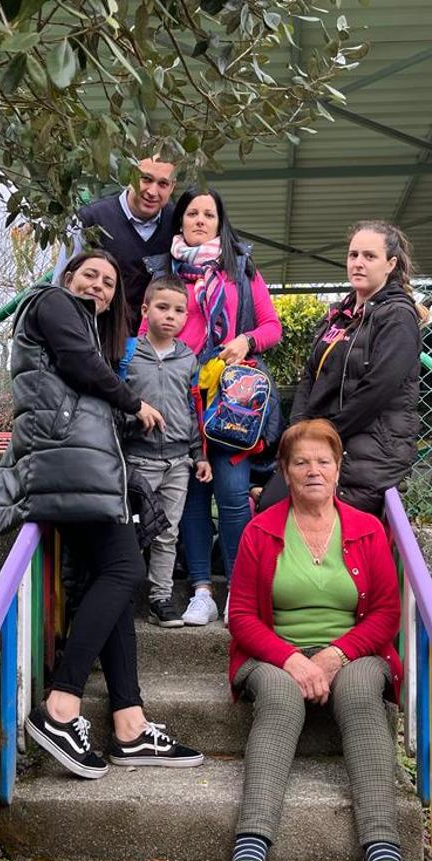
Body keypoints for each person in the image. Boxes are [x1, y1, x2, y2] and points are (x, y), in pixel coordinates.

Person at [0, 250, 203, 778]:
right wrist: (133, 403)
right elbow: (80, 369)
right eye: (91, 276)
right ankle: (61, 707)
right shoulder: (54, 302)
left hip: (81, 466)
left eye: (109, 283)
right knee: (125, 570)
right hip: (69, 465)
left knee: (113, 575)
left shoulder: (87, 328)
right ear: (69, 277)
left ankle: (129, 725)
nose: (99, 288)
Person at [221, 419, 423, 861]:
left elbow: (386, 613)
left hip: (354, 652)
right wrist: (291, 660)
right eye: (301, 462)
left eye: (323, 461)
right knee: (278, 697)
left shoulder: (368, 530)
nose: (314, 470)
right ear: (286, 474)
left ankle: (384, 852)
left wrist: (335, 656)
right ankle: (250, 848)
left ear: (337, 470)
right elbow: (243, 617)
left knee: (358, 691)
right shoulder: (259, 532)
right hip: (273, 655)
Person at [141, 187, 282, 626]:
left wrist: (245, 340)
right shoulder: (164, 272)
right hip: (182, 395)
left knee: (234, 494)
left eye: (209, 214)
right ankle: (201, 590)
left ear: (220, 222)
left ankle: (237, 590)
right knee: (192, 498)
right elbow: (146, 329)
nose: (200, 220)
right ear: (179, 221)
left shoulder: (240, 267)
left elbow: (272, 327)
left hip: (232, 400)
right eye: (191, 214)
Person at [263, 221, 422, 518]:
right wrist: (300, 431)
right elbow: (310, 376)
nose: (358, 263)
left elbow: (378, 390)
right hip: (321, 443)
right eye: (353, 255)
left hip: (370, 449)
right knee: (270, 508)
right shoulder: (338, 316)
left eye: (369, 256)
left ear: (391, 264)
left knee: (329, 522)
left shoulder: (398, 316)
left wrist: (327, 434)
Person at [120, 275, 214, 628]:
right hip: (136, 458)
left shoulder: (189, 360)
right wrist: (133, 419)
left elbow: (194, 412)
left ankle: (161, 596)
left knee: (167, 531)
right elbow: (115, 404)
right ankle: (123, 594)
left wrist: (199, 455)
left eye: (179, 310)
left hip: (177, 461)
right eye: (162, 307)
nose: (171, 316)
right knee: (130, 529)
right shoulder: (128, 353)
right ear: (145, 310)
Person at [55, 156, 179, 333]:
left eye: (163, 184)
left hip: (150, 348)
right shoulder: (89, 220)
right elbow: (59, 288)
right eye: (146, 179)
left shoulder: (178, 224)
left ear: (172, 187)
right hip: (93, 338)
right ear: (129, 175)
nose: (152, 191)